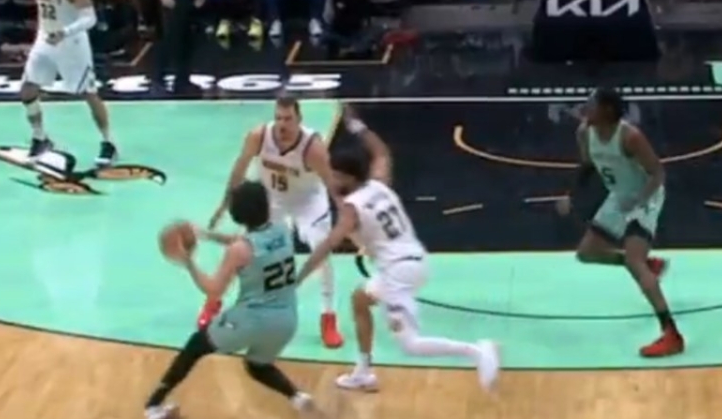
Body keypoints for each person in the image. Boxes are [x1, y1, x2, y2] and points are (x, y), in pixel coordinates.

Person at [295, 106, 501, 391]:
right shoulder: (378, 184)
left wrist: (298, 279)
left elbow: (328, 245)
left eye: (336, 175)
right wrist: (357, 127)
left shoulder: (352, 209)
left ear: (350, 178)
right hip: (412, 261)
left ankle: (478, 351)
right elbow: (381, 153)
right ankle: (363, 372)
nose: (331, 180)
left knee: (411, 344)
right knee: (360, 300)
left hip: (398, 272)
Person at [145, 181, 316, 419]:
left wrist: (188, 262)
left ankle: (153, 406)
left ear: (237, 213)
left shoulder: (239, 251)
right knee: (257, 365)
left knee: (196, 345)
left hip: (252, 320)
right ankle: (297, 397)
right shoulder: (283, 230)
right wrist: (207, 235)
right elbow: (248, 242)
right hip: (287, 320)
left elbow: (214, 290)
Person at [204, 96, 344, 349]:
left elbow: (331, 183)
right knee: (244, 252)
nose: (282, 124)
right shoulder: (259, 136)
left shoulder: (312, 147)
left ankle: (328, 317)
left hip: (308, 202)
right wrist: (224, 205)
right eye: (278, 118)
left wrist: (346, 215)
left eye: (288, 119)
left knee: (322, 255)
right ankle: (213, 303)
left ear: (299, 120)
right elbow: (240, 168)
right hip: (273, 201)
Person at [554, 88, 683, 358]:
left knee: (634, 260)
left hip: (645, 195)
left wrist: (639, 201)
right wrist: (569, 195)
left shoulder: (630, 137)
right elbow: (587, 165)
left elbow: (658, 173)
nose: (585, 108)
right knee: (586, 253)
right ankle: (648, 266)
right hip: (619, 195)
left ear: (607, 110)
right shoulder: (584, 133)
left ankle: (672, 334)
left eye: (591, 104)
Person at [21, 0, 117, 165]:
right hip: (45, 40)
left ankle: (108, 142)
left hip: (71, 43)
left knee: (89, 93)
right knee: (27, 89)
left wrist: (64, 32)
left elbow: (90, 19)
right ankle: (40, 137)